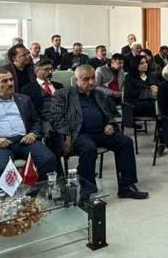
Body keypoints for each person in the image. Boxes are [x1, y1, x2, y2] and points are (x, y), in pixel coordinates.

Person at [50, 65, 148, 201]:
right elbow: (56, 117)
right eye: (86, 79)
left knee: (125, 142)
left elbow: (110, 114)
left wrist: (111, 124)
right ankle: (87, 192)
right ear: (76, 80)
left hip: (101, 132)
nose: (91, 82)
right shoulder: (63, 94)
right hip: (78, 134)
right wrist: (65, 135)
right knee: (89, 148)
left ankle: (126, 187)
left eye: (92, 78)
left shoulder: (99, 94)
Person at [0, 69, 59, 184]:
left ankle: (40, 191)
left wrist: (33, 133)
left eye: (11, 80)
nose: (10, 83)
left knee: (48, 159)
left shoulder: (24, 99)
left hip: (24, 140)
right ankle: (4, 196)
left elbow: (36, 120)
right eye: (4, 81)